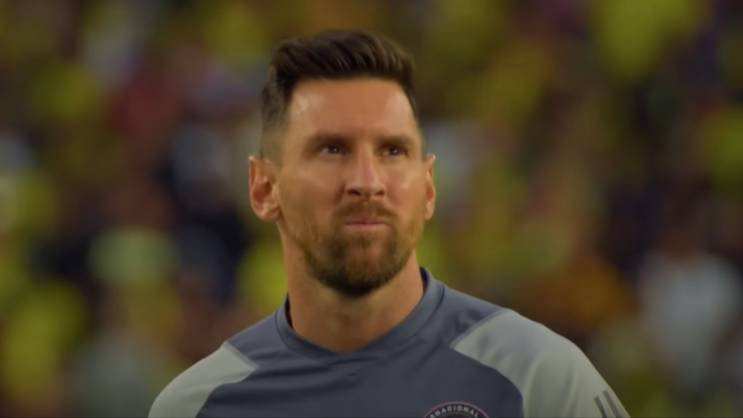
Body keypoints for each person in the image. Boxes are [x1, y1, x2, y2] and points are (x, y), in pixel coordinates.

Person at [149, 30, 628, 418]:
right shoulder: (197, 407)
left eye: (392, 150)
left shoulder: (537, 380)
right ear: (263, 188)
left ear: (429, 188)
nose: (367, 182)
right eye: (331, 149)